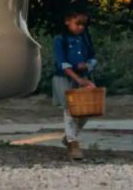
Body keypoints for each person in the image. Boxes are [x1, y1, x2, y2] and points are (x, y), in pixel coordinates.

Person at [51, 11, 97, 160]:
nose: (81, 27)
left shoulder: (85, 38)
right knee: (70, 111)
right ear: (67, 21)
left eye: (83, 25)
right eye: (78, 24)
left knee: (89, 108)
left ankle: (70, 136)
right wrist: (78, 79)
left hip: (82, 76)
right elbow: (63, 64)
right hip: (66, 78)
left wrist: (87, 66)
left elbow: (92, 57)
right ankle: (73, 143)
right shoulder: (60, 39)